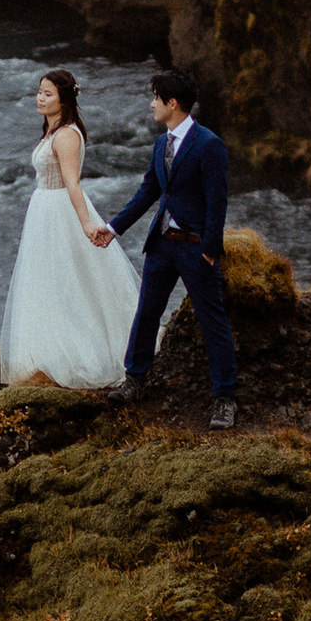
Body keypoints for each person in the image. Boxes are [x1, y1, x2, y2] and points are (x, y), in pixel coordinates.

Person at [98, 71, 238, 427]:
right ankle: (135, 379)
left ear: (171, 103)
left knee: (212, 321)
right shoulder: (162, 143)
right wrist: (114, 228)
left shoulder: (209, 144)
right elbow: (149, 191)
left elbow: (217, 200)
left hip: (195, 248)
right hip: (161, 245)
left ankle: (224, 398)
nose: (151, 104)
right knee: (146, 312)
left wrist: (210, 248)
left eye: (155, 98)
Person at [0, 71, 138, 389]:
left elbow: (72, 181)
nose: (40, 98)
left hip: (60, 210)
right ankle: (44, 356)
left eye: (47, 94)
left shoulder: (66, 135)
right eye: (38, 92)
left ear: (64, 98)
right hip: (44, 209)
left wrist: (86, 223)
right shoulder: (51, 131)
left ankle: (77, 356)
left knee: (69, 280)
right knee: (46, 283)